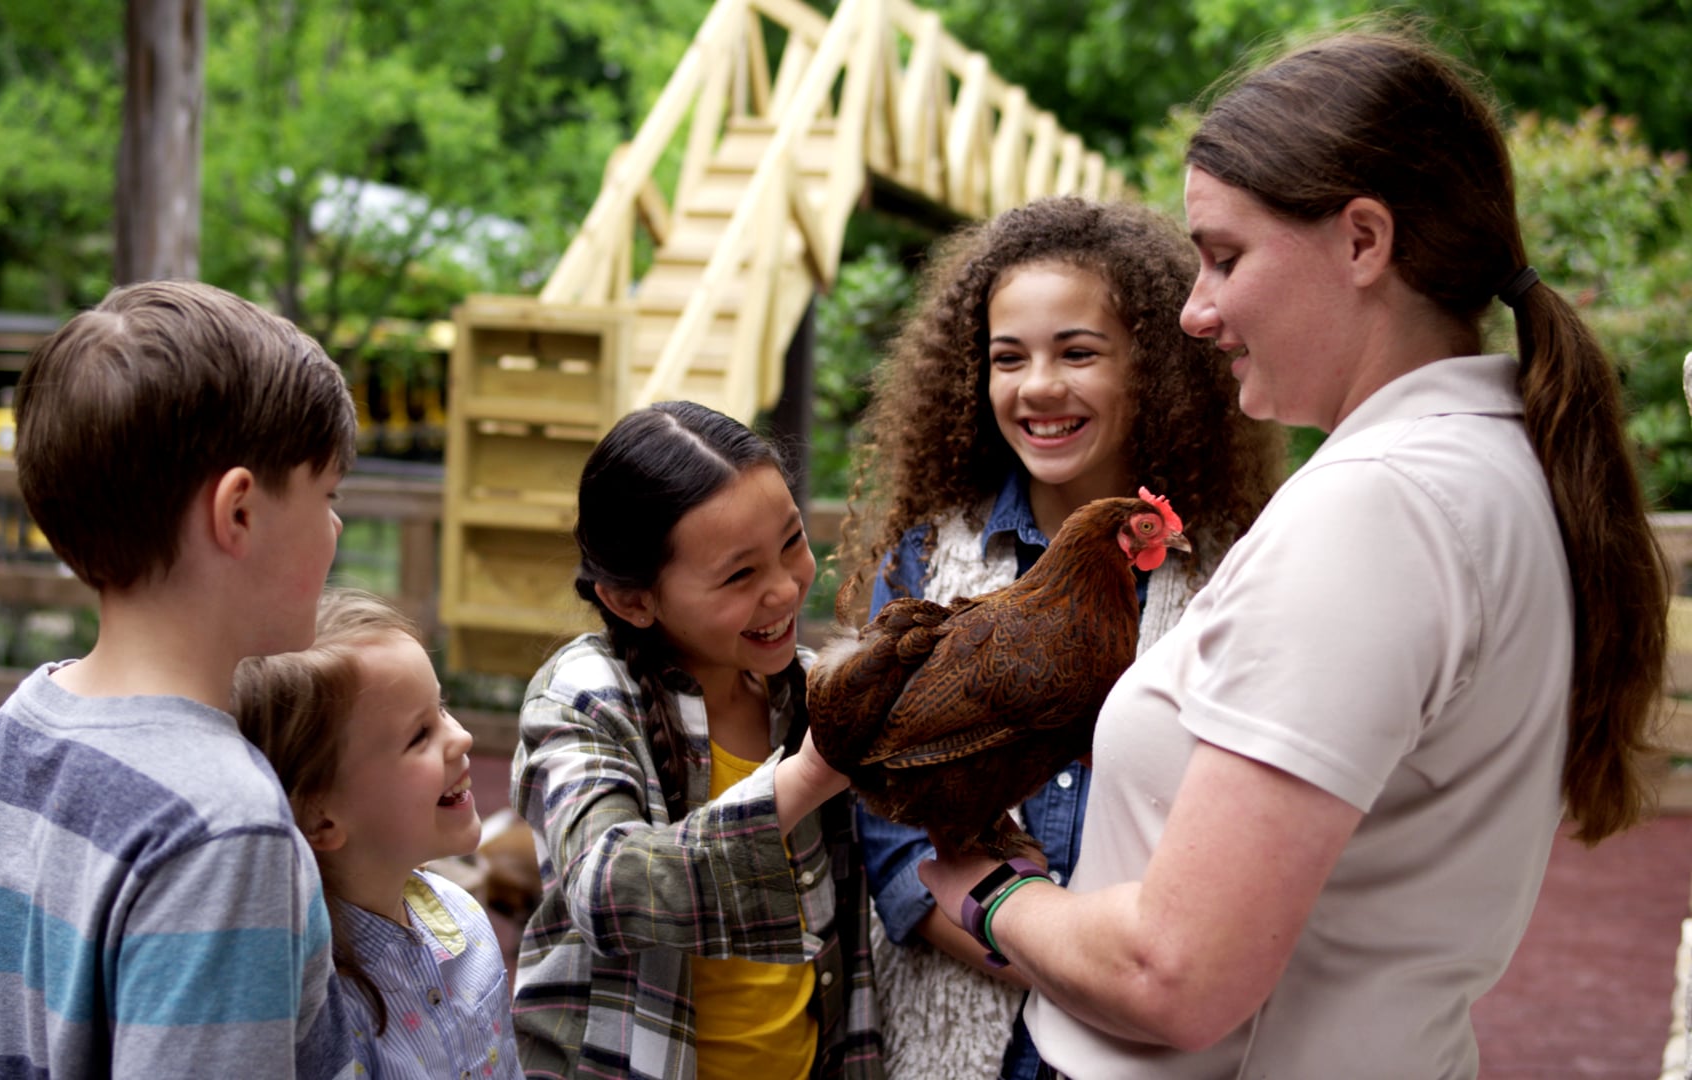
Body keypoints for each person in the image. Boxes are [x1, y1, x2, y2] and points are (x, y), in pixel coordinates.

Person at [914, 23, 1669, 1078]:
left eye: (1225, 256)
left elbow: (1175, 977)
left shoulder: (1382, 513)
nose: (1196, 309)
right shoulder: (1500, 468)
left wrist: (995, 896)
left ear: (1364, 241)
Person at [0, 280, 359, 1079]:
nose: (336, 527)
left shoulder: (4, 739)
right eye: (326, 495)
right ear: (240, 514)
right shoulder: (225, 827)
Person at [833, 196, 1280, 1080]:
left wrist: (1123, 981)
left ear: (1153, 368)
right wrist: (1060, 964)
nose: (1039, 385)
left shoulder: (1237, 578)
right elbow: (886, 824)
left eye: (1078, 351)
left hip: (1146, 1043)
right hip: (957, 1035)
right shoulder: (929, 561)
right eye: (1009, 358)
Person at [509, 400, 884, 1080]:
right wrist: (802, 780)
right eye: (739, 575)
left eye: (792, 542)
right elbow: (602, 885)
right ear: (633, 600)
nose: (783, 588)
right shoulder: (584, 694)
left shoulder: (799, 690)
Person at [235, 587, 521, 1079]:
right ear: (321, 818)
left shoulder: (466, 920)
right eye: (419, 735)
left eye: (443, 709)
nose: (462, 737)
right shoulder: (316, 1011)